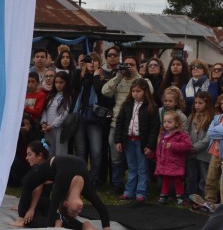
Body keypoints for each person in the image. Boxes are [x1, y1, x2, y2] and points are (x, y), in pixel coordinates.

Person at [19, 150, 112, 230]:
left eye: (73, 212)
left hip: (52, 167)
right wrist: (24, 214)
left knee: (34, 216)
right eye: (76, 213)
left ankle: (66, 222)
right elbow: (102, 209)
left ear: (66, 203)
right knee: (28, 187)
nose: (78, 212)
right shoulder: (86, 189)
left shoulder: (61, 186)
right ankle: (24, 216)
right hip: (53, 168)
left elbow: (52, 209)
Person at [102, 55, 151, 197]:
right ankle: (117, 184)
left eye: (132, 64)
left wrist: (135, 74)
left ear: (137, 66)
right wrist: (118, 76)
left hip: (136, 126)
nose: (128, 67)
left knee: (136, 160)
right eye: (126, 64)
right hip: (117, 123)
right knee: (116, 157)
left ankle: (137, 188)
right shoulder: (119, 79)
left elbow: (150, 91)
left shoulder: (142, 81)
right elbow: (105, 92)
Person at [114, 79, 160, 204]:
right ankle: (129, 191)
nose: (135, 94)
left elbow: (154, 128)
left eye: (138, 91)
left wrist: (150, 145)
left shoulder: (151, 107)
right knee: (132, 167)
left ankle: (141, 192)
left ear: (145, 91)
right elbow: (120, 123)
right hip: (128, 140)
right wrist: (118, 140)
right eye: (133, 91)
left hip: (142, 142)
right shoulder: (127, 104)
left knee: (142, 168)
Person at [72, 52, 106, 186]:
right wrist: (80, 67)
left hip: (95, 117)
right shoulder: (81, 76)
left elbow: (99, 90)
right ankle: (82, 180)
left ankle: (94, 179)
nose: (92, 63)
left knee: (96, 151)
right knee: (80, 151)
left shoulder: (103, 78)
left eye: (95, 60)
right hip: (80, 115)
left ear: (99, 62)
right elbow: (73, 85)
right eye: (89, 61)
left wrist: (96, 75)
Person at [155, 111, 192, 205]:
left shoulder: (182, 135)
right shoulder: (163, 134)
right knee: (165, 180)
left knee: (177, 181)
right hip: (165, 163)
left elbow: (187, 146)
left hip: (176, 163)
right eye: (165, 122)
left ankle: (180, 197)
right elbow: (159, 149)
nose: (166, 124)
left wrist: (173, 145)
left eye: (169, 122)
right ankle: (163, 196)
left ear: (176, 123)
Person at [185, 91, 213, 206]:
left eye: (200, 103)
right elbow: (186, 131)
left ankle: (202, 198)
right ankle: (189, 195)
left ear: (207, 103)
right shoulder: (191, 116)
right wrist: (188, 145)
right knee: (191, 176)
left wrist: (196, 147)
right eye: (196, 103)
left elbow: (208, 138)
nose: (197, 105)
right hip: (191, 152)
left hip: (203, 153)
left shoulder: (211, 118)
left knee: (204, 177)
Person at [40, 71, 71, 156]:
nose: (58, 85)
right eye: (56, 82)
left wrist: (53, 125)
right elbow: (45, 110)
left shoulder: (67, 97)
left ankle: (60, 169)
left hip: (59, 129)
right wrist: (44, 123)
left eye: (61, 82)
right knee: (49, 151)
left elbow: (64, 113)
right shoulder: (51, 95)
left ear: (66, 83)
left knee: (60, 152)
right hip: (48, 128)